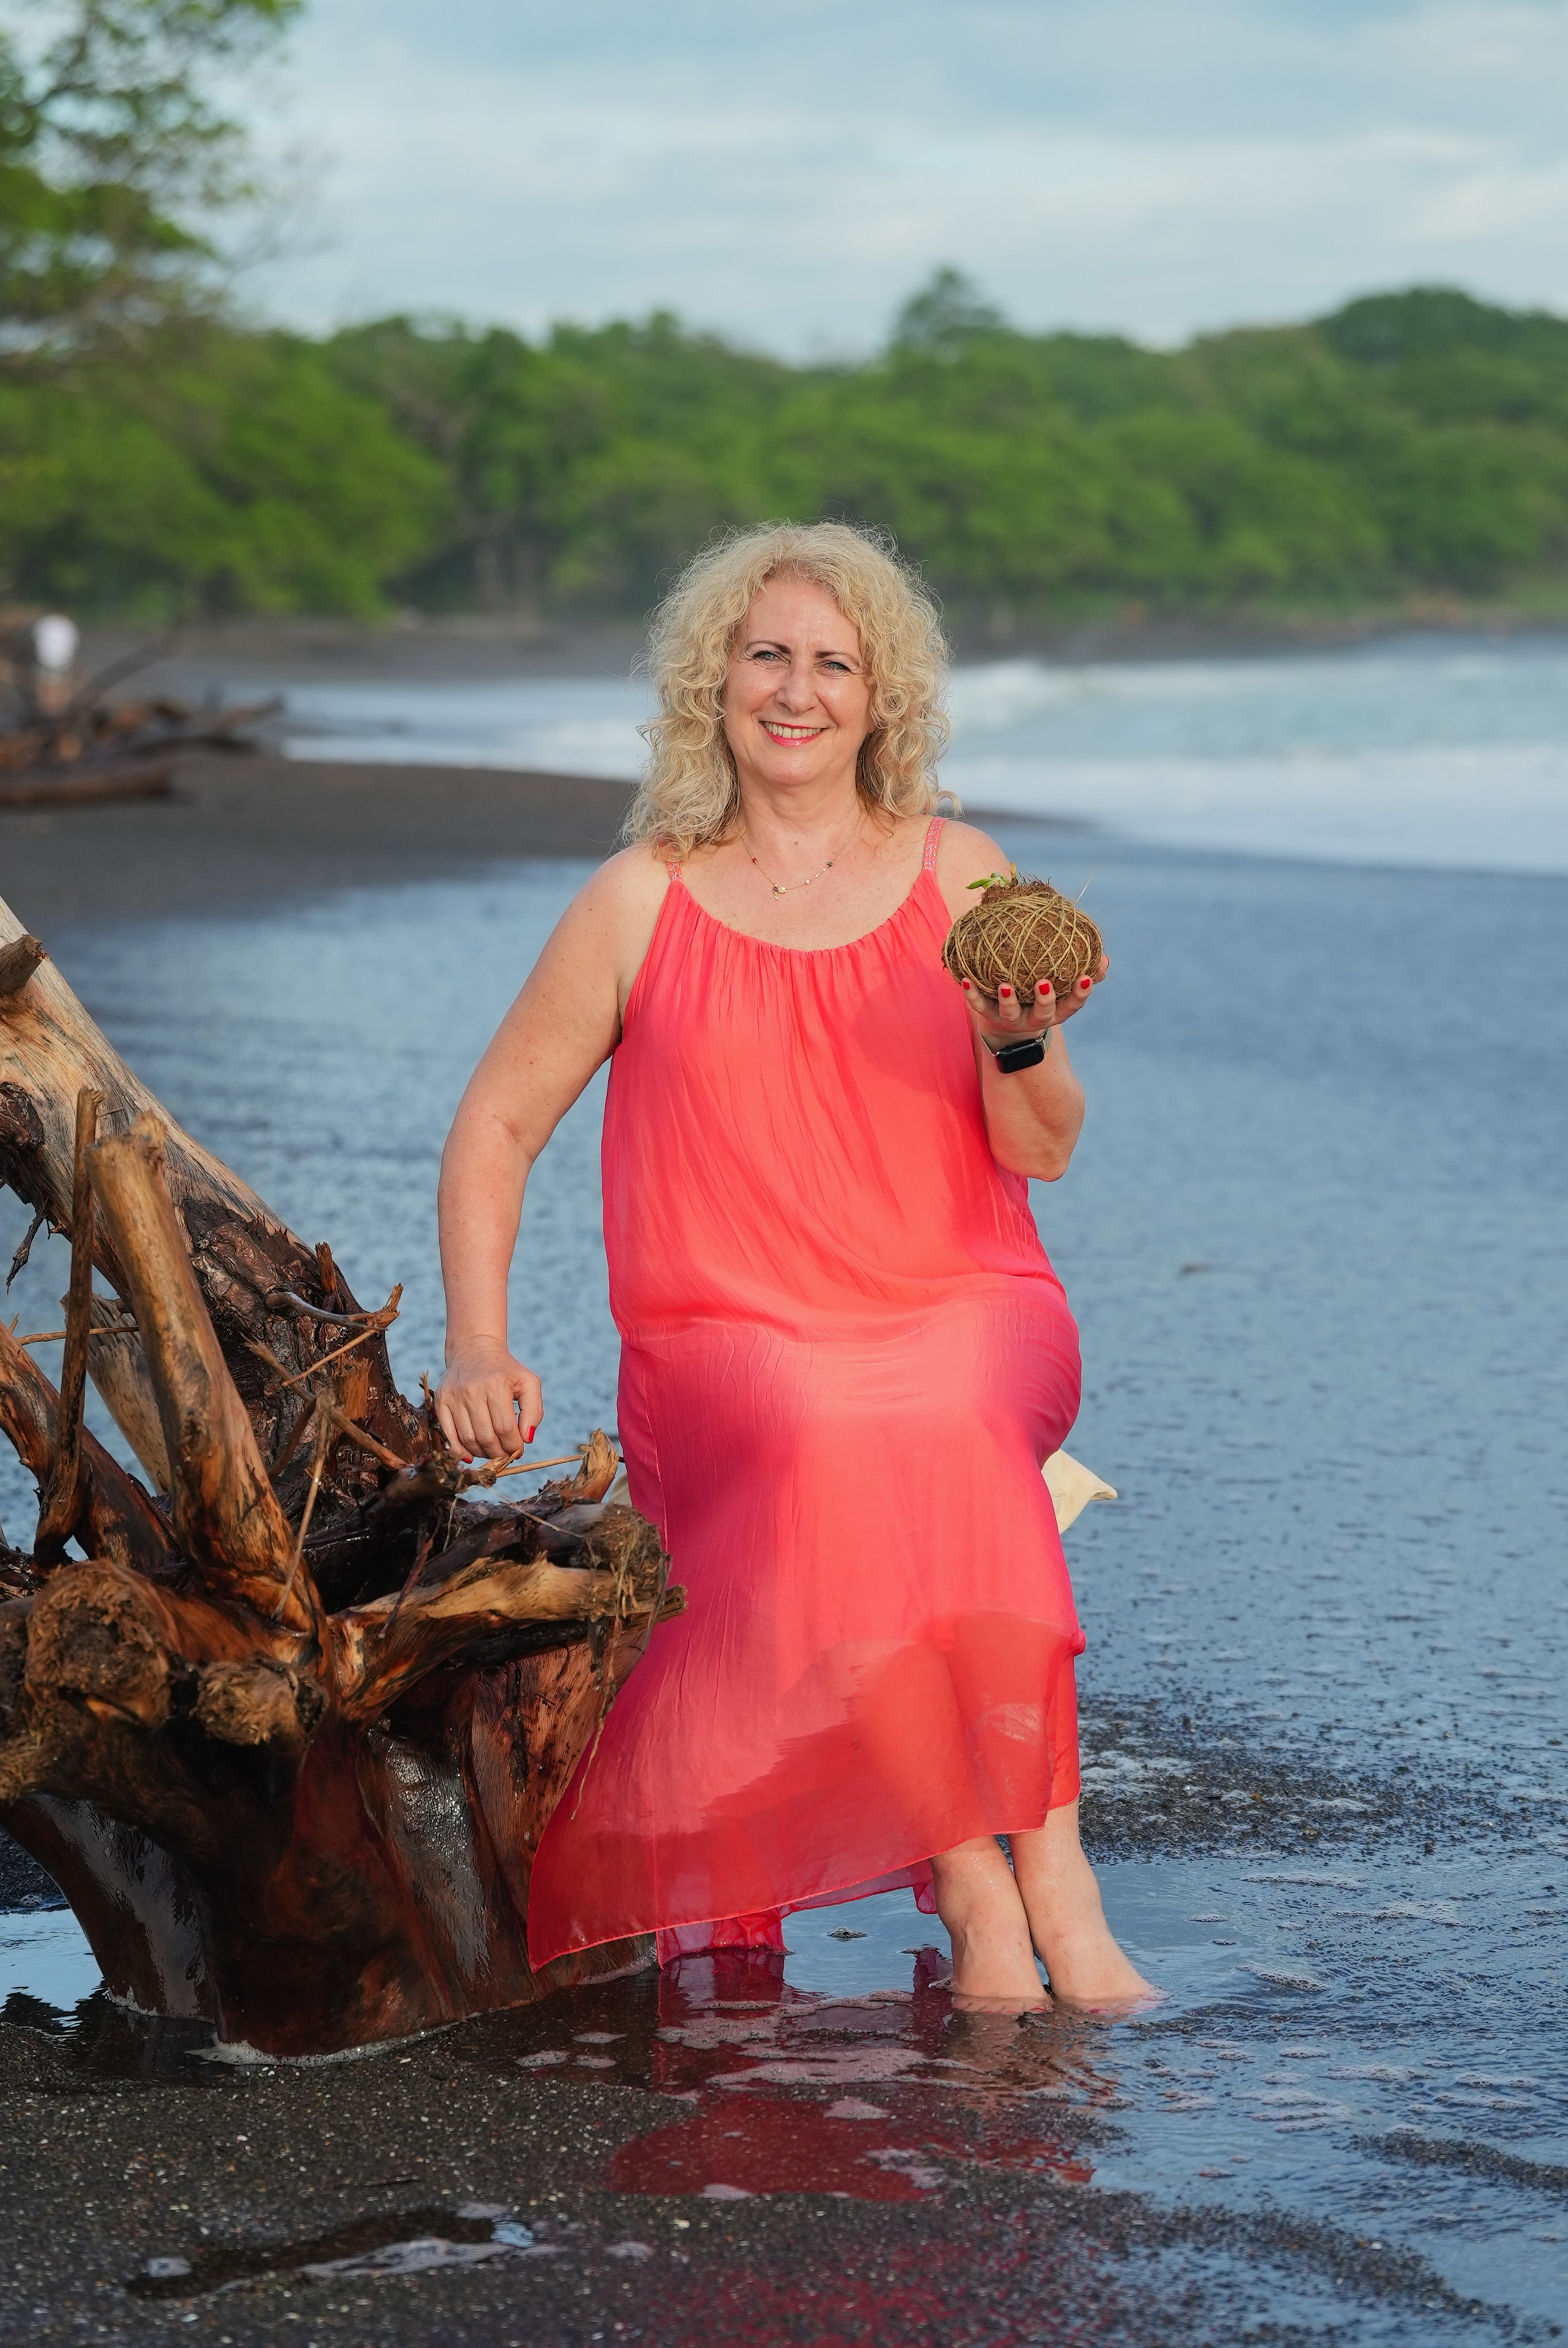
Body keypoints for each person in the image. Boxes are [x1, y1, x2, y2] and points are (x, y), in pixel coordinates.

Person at [435, 521, 1150, 2009]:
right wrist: (477, 1344)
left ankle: (1057, 1879)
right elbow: (497, 1122)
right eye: (766, 654)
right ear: (714, 680)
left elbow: (1044, 1147)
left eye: (834, 663)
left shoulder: (962, 873)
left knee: (938, 1417)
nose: (796, 690)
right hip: (729, 1337)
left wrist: (1017, 1031)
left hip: (964, 1298)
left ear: (881, 699)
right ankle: (976, 1889)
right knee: (834, 1433)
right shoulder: (639, 898)